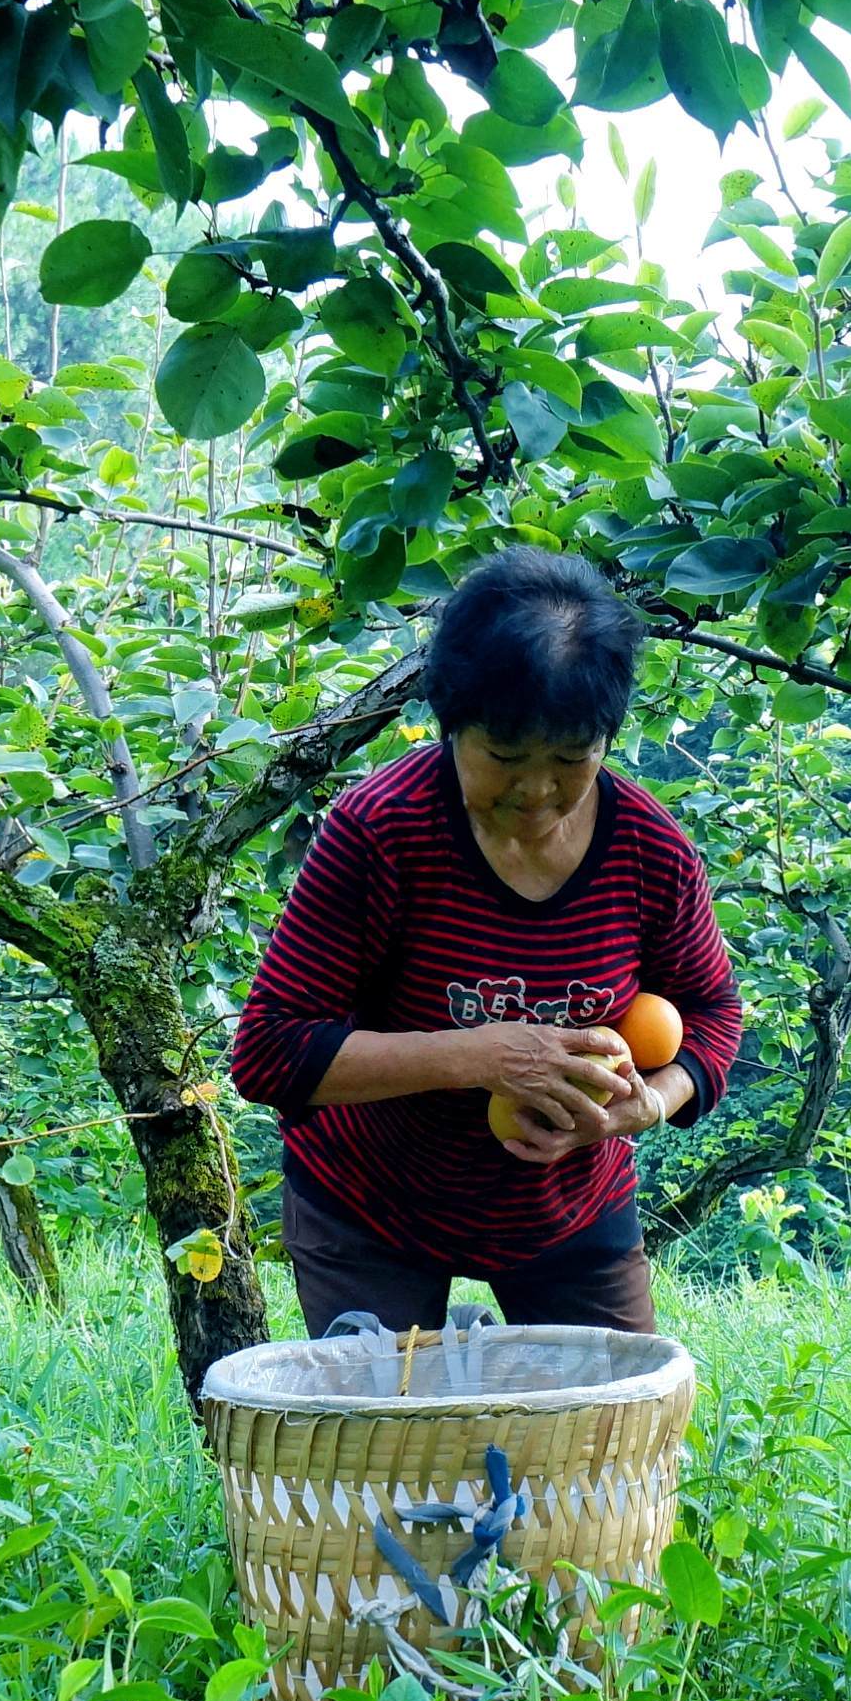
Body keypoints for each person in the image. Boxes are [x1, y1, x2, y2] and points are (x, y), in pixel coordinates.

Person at [229, 549, 743, 1334]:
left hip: (570, 1212)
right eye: (503, 756)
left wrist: (647, 1105)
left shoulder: (648, 849)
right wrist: (479, 1056)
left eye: (572, 758)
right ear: (450, 724)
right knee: (395, 1448)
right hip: (372, 1203)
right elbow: (269, 1052)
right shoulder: (382, 833)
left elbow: (711, 1014)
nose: (537, 790)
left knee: (612, 1443)